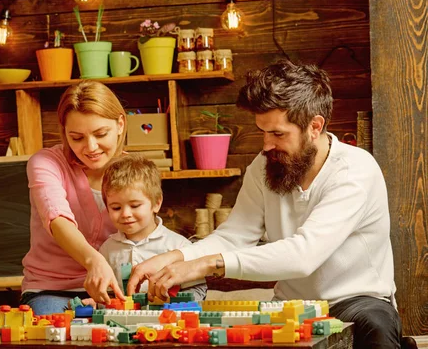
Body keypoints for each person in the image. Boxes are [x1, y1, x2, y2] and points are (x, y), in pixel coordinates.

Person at [126, 60, 402, 348]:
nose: (267, 144)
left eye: (278, 133)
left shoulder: (355, 169)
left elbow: (304, 255)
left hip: (357, 302)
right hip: (293, 306)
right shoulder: (265, 164)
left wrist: (207, 265)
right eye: (262, 131)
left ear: (314, 127)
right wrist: (175, 257)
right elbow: (234, 236)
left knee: (377, 325)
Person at [20, 81, 126, 315]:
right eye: (77, 137)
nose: (91, 147)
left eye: (101, 134)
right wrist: (93, 261)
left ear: (120, 124)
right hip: (52, 289)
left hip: (114, 288)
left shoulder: (133, 171)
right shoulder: (45, 163)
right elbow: (56, 218)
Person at [98, 155, 206, 301]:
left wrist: (172, 302)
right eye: (116, 207)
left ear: (156, 203)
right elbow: (108, 295)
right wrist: (97, 302)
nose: (125, 214)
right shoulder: (106, 250)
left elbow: (199, 290)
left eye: (135, 206)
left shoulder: (179, 247)